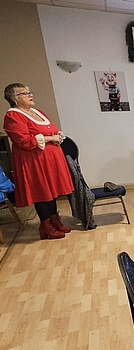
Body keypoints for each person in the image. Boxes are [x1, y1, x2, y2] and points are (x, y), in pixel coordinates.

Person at [3, 83, 74, 240]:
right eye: (25, 93)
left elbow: (52, 130)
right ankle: (45, 224)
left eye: (30, 91)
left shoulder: (37, 112)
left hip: (49, 160)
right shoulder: (13, 116)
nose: (30, 95)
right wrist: (50, 138)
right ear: (14, 98)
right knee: (42, 192)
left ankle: (54, 219)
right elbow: (24, 140)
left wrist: (56, 137)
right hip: (33, 162)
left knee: (52, 191)